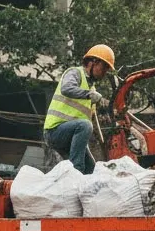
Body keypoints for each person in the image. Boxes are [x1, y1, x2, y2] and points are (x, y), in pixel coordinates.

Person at [42, 45, 115, 174]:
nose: (105, 73)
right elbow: (66, 88)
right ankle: (76, 173)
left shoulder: (91, 89)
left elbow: (90, 121)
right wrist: (88, 95)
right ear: (93, 62)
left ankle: (76, 181)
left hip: (69, 136)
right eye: (104, 68)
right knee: (85, 125)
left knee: (92, 172)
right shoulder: (75, 73)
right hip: (54, 131)